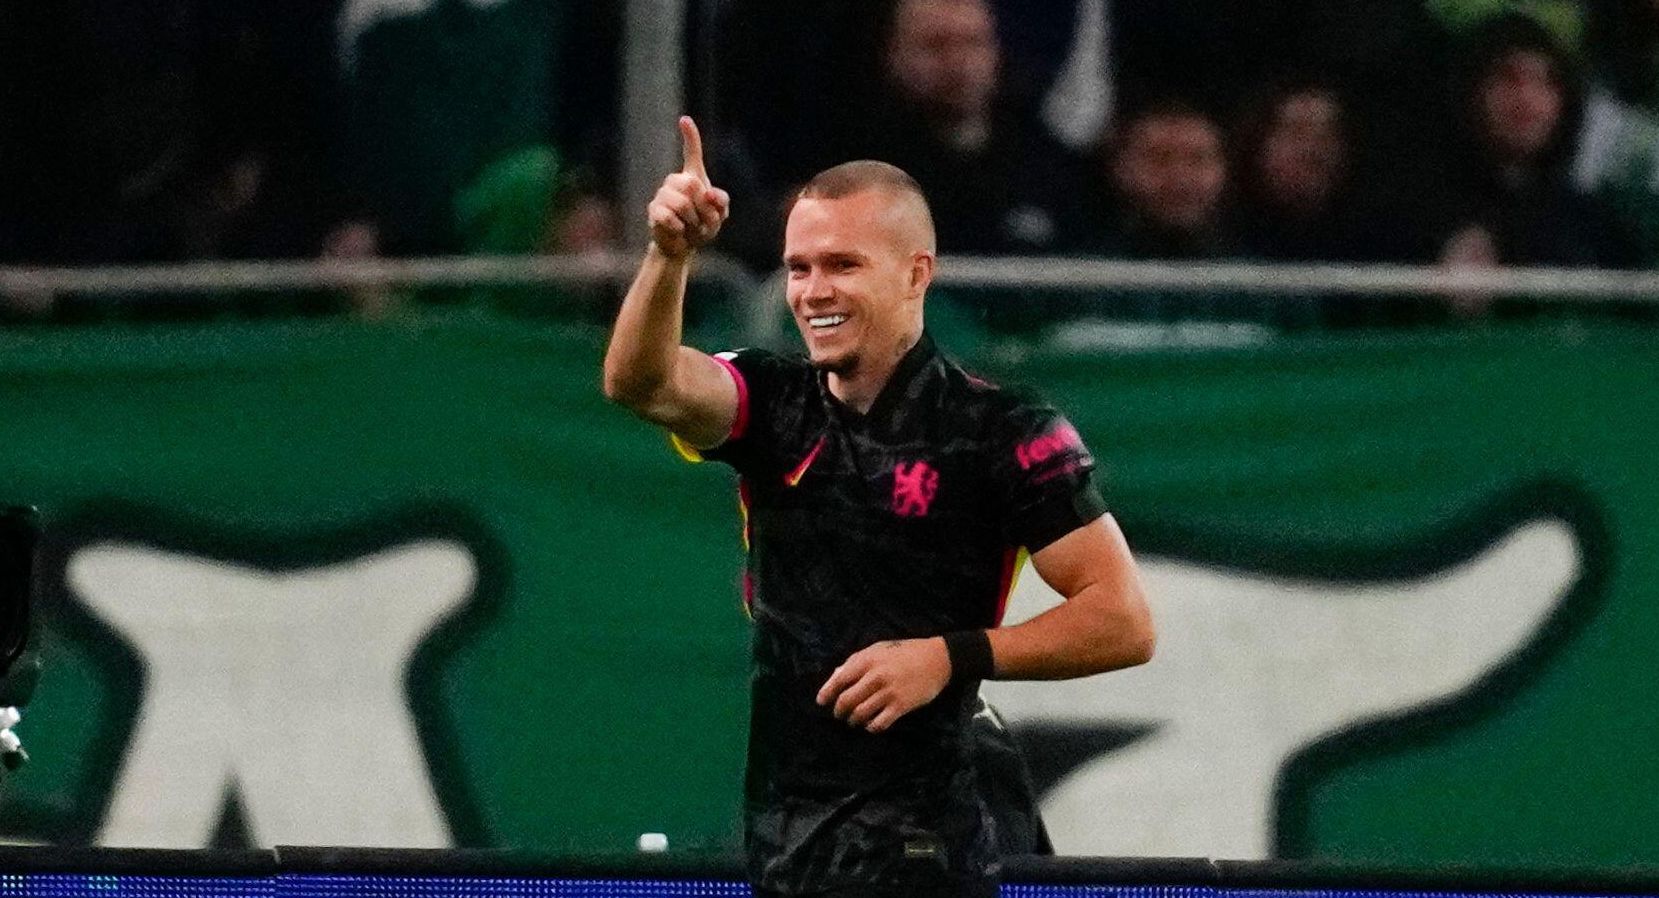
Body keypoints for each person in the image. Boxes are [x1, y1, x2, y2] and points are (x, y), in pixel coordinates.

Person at [602, 117, 1155, 898]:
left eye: (842, 265)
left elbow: (1122, 620)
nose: (812, 291)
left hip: (937, 831)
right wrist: (668, 255)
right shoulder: (770, 405)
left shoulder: (1002, 431)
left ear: (914, 273)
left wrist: (946, 656)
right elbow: (640, 383)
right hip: (788, 829)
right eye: (797, 268)